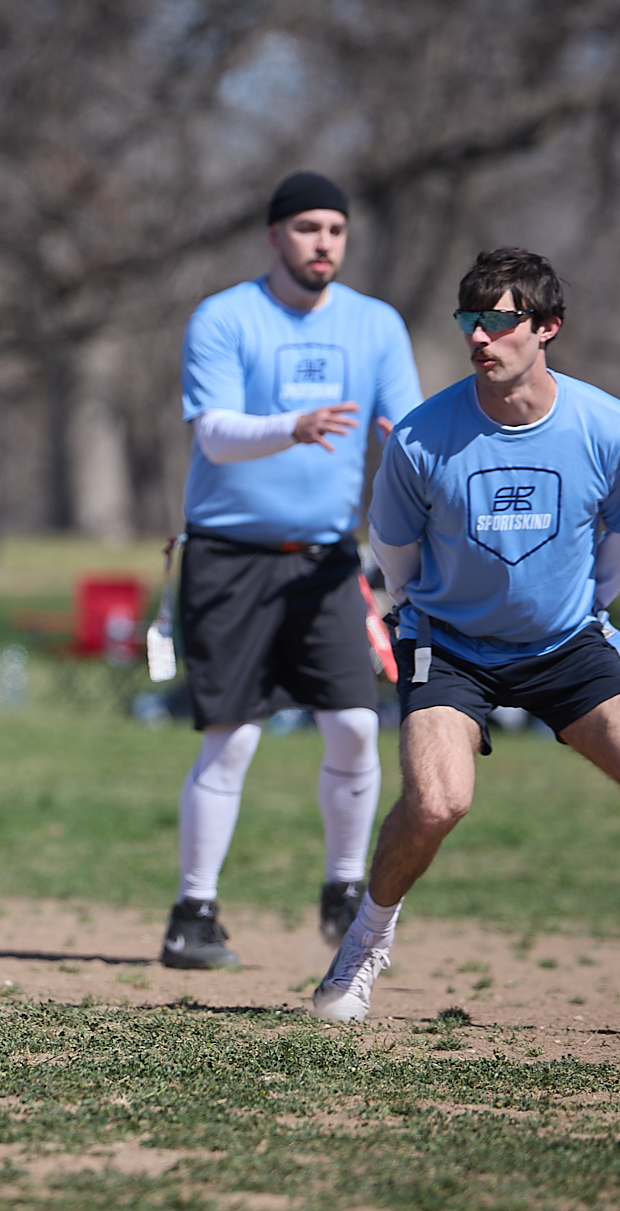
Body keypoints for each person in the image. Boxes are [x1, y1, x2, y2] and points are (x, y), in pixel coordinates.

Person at [312, 246, 620, 1042]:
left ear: (548, 327)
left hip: (565, 643)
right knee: (438, 801)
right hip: (451, 643)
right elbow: (395, 558)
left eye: (499, 320)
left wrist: (582, 607)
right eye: (469, 319)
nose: (479, 336)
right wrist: (436, 616)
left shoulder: (610, 427)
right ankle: (363, 945)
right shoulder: (422, 437)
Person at [163, 171, 423, 970]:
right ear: (275, 234)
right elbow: (215, 435)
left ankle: (345, 891)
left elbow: (406, 432)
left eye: (336, 230)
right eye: (308, 228)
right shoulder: (225, 317)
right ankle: (193, 914)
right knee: (233, 738)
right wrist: (294, 426)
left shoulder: (375, 325)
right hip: (228, 556)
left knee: (354, 725)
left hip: (325, 561)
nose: (324, 243)